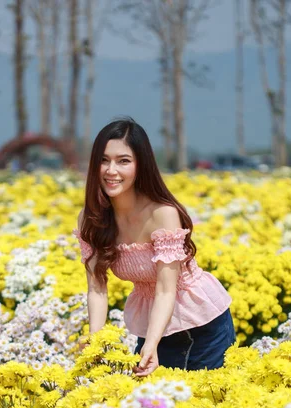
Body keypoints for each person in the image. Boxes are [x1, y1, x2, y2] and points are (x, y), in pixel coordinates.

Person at [73, 117, 236, 377]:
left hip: (202, 324)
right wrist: (96, 343)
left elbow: (165, 289)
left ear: (141, 165)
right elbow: (96, 288)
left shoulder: (162, 214)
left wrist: (151, 344)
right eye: (104, 160)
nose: (111, 170)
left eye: (123, 161)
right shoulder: (91, 219)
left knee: (206, 407)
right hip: (153, 322)